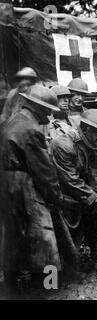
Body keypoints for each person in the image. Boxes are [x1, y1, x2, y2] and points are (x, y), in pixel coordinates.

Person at [0, 86, 63, 295]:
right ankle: (48, 288)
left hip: (7, 184)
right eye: (47, 110)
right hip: (25, 184)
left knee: (12, 236)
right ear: (38, 108)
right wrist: (55, 196)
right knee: (46, 239)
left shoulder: (15, 119)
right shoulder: (31, 130)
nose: (50, 114)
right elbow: (43, 170)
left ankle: (10, 289)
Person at [51, 109, 97, 258]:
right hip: (61, 196)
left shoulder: (93, 144)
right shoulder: (64, 145)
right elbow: (70, 180)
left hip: (82, 193)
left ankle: (92, 258)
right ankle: (66, 270)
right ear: (86, 129)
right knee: (65, 238)